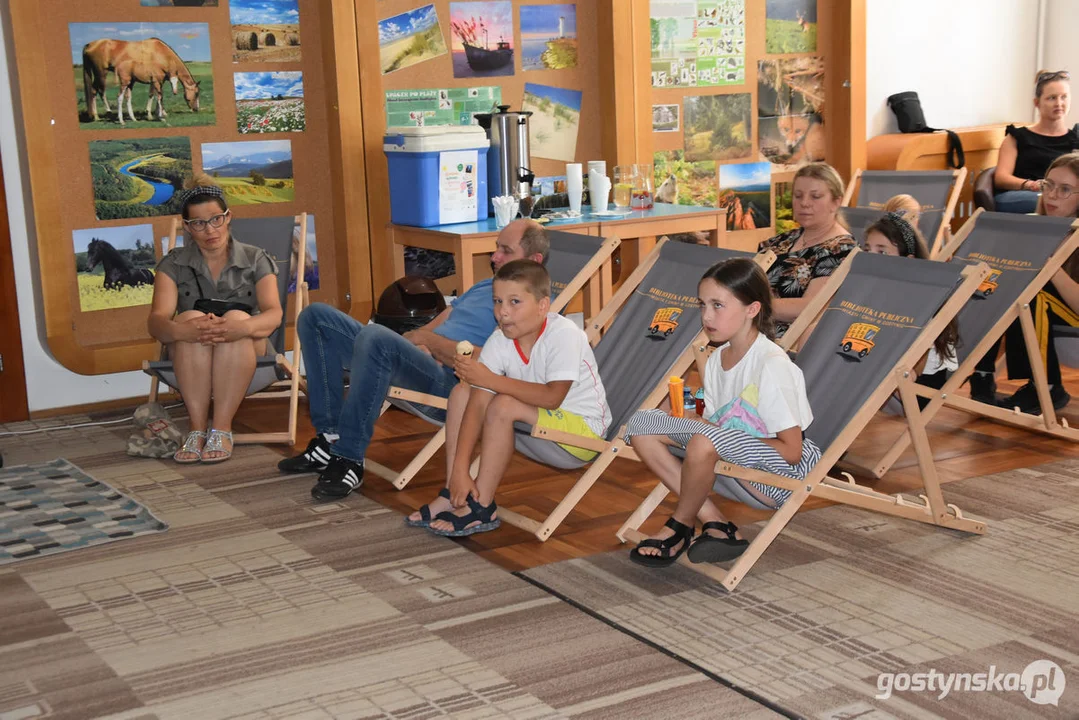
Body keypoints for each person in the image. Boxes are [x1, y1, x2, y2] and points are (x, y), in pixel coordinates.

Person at [280, 219, 550, 501]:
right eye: (496, 248)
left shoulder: (529, 308)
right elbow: (442, 320)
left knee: (375, 338)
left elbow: (493, 364)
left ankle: (349, 457)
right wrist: (414, 341)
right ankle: (330, 438)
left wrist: (430, 345)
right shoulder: (488, 285)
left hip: (454, 386)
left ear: (534, 260)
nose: (495, 257)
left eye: (506, 251)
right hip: (424, 361)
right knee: (316, 317)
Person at [621, 259, 820, 568]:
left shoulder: (771, 365)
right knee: (640, 425)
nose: (706, 316)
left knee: (701, 440)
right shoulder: (716, 360)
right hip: (728, 461)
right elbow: (715, 426)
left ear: (752, 309)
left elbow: (792, 452)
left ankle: (680, 525)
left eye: (717, 305)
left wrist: (708, 434)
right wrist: (686, 419)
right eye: (702, 305)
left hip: (777, 475)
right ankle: (716, 523)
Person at [406, 259, 610, 536]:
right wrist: (460, 470)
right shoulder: (500, 339)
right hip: (535, 422)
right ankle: (455, 490)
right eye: (497, 301)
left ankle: (482, 504)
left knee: (502, 402)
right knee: (462, 391)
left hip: (582, 434)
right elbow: (477, 403)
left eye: (515, 302)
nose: (503, 312)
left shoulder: (564, 335)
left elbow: (552, 398)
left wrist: (490, 380)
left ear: (542, 305)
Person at [148, 175, 282, 464]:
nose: (209, 230)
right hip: (191, 349)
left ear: (228, 217)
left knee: (235, 317)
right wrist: (182, 330)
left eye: (216, 220)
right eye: (198, 223)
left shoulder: (256, 258)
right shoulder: (173, 263)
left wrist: (241, 327)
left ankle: (221, 429)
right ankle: (196, 430)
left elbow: (274, 314)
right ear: (187, 226)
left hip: (249, 347)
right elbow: (156, 322)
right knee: (190, 318)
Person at [994, 153, 1079, 412]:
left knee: (1033, 295)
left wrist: (1049, 262)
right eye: (1049, 184)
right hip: (1049, 319)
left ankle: (1046, 387)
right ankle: (980, 374)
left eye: (1065, 189)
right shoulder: (1035, 226)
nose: (1052, 194)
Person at [864, 212, 959, 407]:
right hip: (882, 383)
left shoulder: (921, 301)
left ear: (907, 260)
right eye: (867, 250)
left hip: (913, 393)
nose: (871, 258)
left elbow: (911, 374)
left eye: (882, 252)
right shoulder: (870, 291)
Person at [758, 162, 857, 338]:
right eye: (798, 196)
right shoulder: (779, 241)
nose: (804, 203)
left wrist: (750, 306)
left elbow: (812, 307)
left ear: (836, 202)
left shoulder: (842, 249)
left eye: (815, 196)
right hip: (752, 331)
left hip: (791, 342)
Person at [993, 70, 1079, 214]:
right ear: (1037, 103)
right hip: (1021, 193)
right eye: (1052, 98)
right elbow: (1001, 178)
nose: (1059, 103)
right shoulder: (1017, 137)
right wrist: (1032, 185)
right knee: (1049, 199)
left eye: (1064, 97)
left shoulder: (1076, 139)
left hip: (1063, 195)